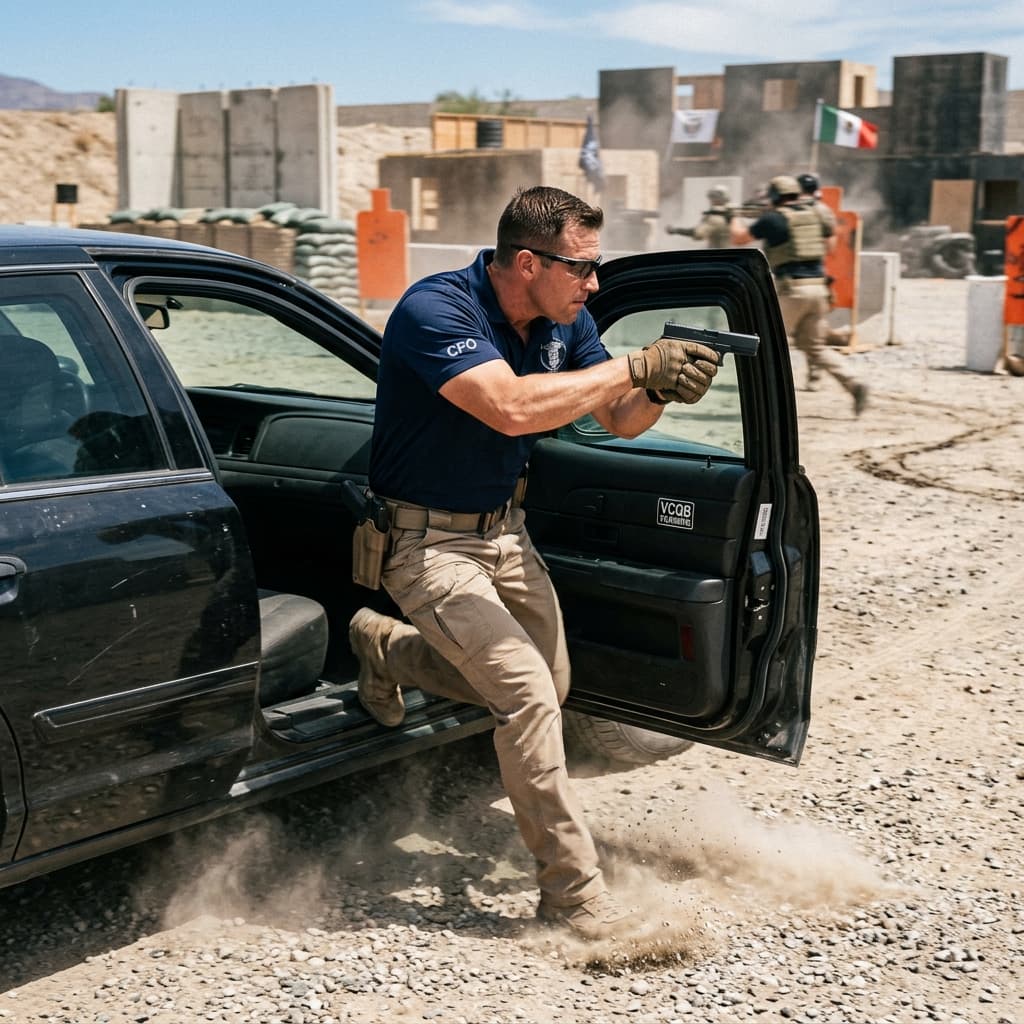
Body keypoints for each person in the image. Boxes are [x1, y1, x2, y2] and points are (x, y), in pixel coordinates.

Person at [348, 185, 720, 941]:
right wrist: (634, 363)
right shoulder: (435, 310)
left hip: (504, 533)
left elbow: (619, 420)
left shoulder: (567, 320)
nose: (593, 286)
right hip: (425, 543)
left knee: (549, 688)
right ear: (527, 261)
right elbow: (512, 407)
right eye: (583, 268)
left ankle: (381, 646)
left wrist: (658, 388)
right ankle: (572, 893)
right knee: (525, 697)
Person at [730, 174, 868, 413]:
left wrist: (731, 216)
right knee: (814, 347)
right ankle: (854, 383)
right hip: (819, 289)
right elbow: (830, 244)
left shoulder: (774, 219)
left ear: (775, 196)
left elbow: (739, 238)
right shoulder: (816, 213)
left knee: (764, 343)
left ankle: (763, 404)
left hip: (792, 290)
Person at [665, 184, 733, 247]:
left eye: (713, 197)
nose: (711, 200)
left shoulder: (716, 218)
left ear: (718, 199)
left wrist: (676, 230)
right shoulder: (731, 212)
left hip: (719, 256)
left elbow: (698, 233)